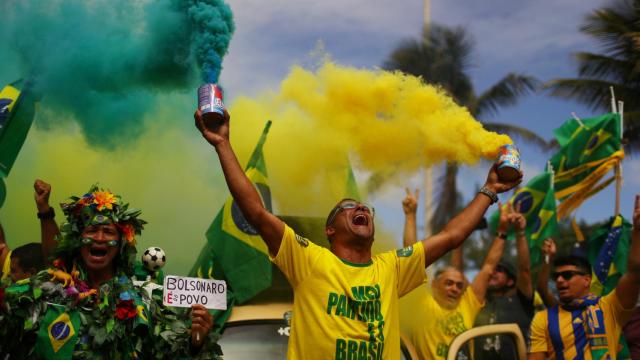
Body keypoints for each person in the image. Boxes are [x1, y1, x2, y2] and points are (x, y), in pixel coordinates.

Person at [194, 108, 522, 359]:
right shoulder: (308, 259)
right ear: (330, 229)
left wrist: (490, 189)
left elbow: (451, 236)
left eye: (366, 208)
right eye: (349, 206)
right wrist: (222, 143)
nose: (361, 208)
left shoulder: (392, 269)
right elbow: (255, 211)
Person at [0, 185, 218, 358]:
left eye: (108, 232)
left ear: (121, 244)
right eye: (92, 230)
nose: (100, 238)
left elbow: (168, 352)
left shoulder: (143, 302)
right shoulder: (47, 289)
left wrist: (195, 343)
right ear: (78, 241)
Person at [528, 195, 640, 360]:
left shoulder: (609, 308)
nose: (559, 280)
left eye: (567, 275)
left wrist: (638, 230)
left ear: (587, 280)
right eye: (556, 276)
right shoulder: (543, 319)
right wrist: (547, 260)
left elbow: (635, 273)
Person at [402, 194, 512, 359]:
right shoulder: (424, 304)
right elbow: (411, 258)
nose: (455, 288)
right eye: (449, 283)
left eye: (460, 285)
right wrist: (411, 216)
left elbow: (488, 268)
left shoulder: (467, 304)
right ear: (434, 284)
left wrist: (502, 232)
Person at [473, 202, 534, 359]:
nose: (493, 273)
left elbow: (524, 270)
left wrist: (520, 232)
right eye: (494, 269)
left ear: (510, 281)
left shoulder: (521, 301)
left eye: (500, 271)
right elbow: (487, 267)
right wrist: (502, 229)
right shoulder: (477, 303)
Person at [0, 179, 59, 280]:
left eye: (13, 271)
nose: (8, 274)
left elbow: (54, 257)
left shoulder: (46, 288)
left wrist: (43, 207)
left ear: (31, 273)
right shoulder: (12, 262)